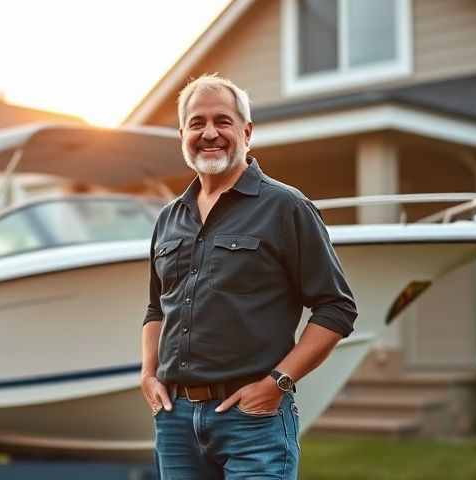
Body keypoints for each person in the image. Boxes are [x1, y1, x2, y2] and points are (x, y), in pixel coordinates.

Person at [140, 74, 358, 479]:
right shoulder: (169, 218)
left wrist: (277, 383)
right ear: (182, 135)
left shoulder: (287, 208)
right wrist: (148, 374)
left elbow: (336, 309)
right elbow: (157, 308)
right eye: (197, 122)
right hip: (175, 421)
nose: (209, 133)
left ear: (247, 132)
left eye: (222, 121)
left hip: (252, 421)